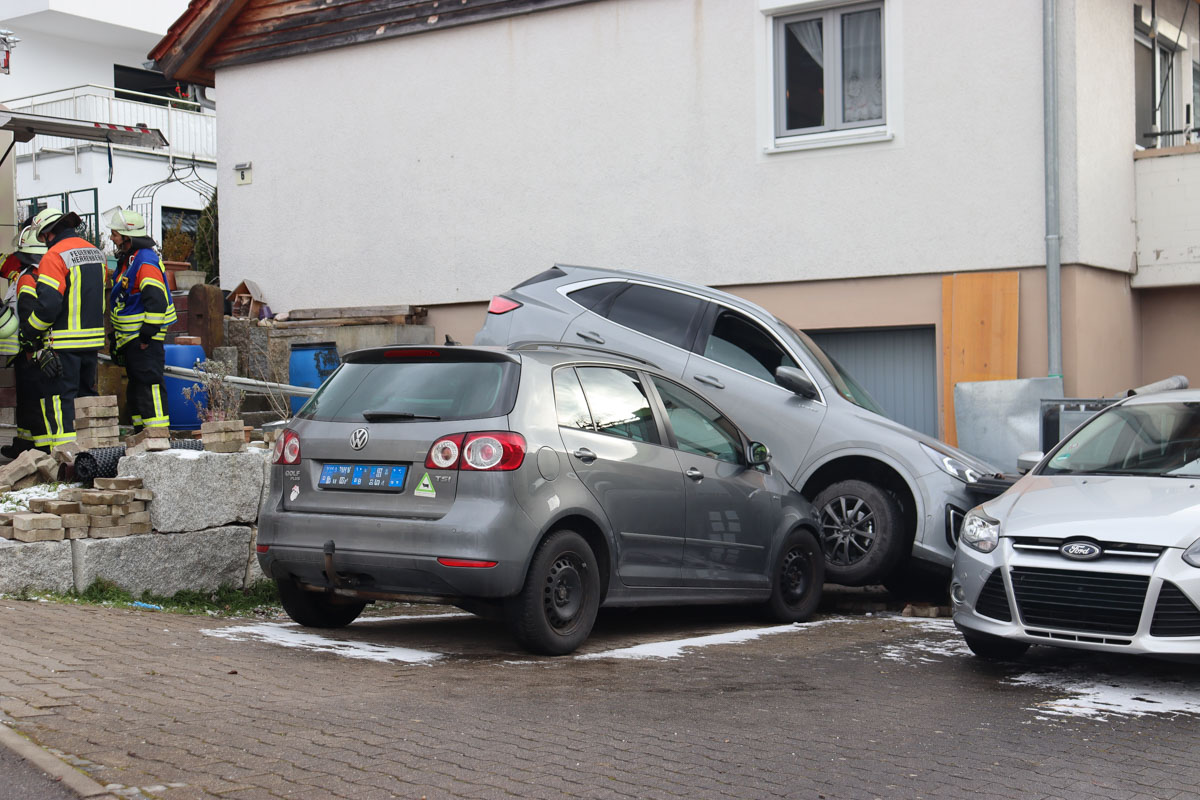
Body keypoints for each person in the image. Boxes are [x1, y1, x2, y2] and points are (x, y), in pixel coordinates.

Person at [20, 207, 106, 449]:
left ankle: (66, 459)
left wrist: (29, 332)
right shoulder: (96, 253)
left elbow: (48, 306)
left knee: (60, 401)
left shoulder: (54, 256)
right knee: (86, 399)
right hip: (91, 342)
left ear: (48, 233)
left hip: (63, 343)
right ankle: (93, 453)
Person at [107, 208, 176, 431]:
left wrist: (147, 333)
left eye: (115, 234)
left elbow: (155, 299)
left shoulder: (145, 260)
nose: (112, 238)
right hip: (133, 340)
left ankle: (157, 437)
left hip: (144, 339)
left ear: (128, 237)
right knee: (137, 388)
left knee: (149, 386)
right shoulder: (131, 259)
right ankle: (141, 435)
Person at [0, 227, 48, 457]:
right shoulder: (25, 274)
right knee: (25, 400)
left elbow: (29, 311)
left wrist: (31, 346)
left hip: (29, 348)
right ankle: (24, 443)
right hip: (22, 349)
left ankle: (38, 449)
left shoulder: (31, 276)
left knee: (32, 400)